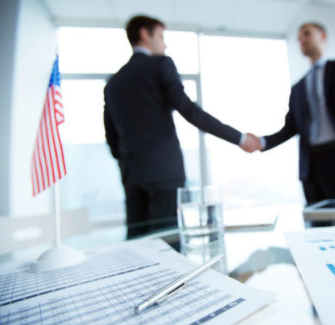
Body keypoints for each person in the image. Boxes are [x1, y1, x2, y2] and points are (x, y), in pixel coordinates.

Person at [104, 15, 260, 240]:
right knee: (167, 243)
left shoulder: (114, 83)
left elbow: (111, 135)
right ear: (144, 34)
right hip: (164, 170)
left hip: (131, 173)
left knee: (137, 244)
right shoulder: (161, 64)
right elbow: (189, 110)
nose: (164, 44)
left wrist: (127, 159)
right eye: (161, 36)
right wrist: (239, 138)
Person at [259, 22, 335, 207]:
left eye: (306, 34)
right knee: (319, 230)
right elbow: (290, 128)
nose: (302, 40)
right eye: (298, 38)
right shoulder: (297, 88)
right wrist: (262, 142)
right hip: (311, 168)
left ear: (322, 36)